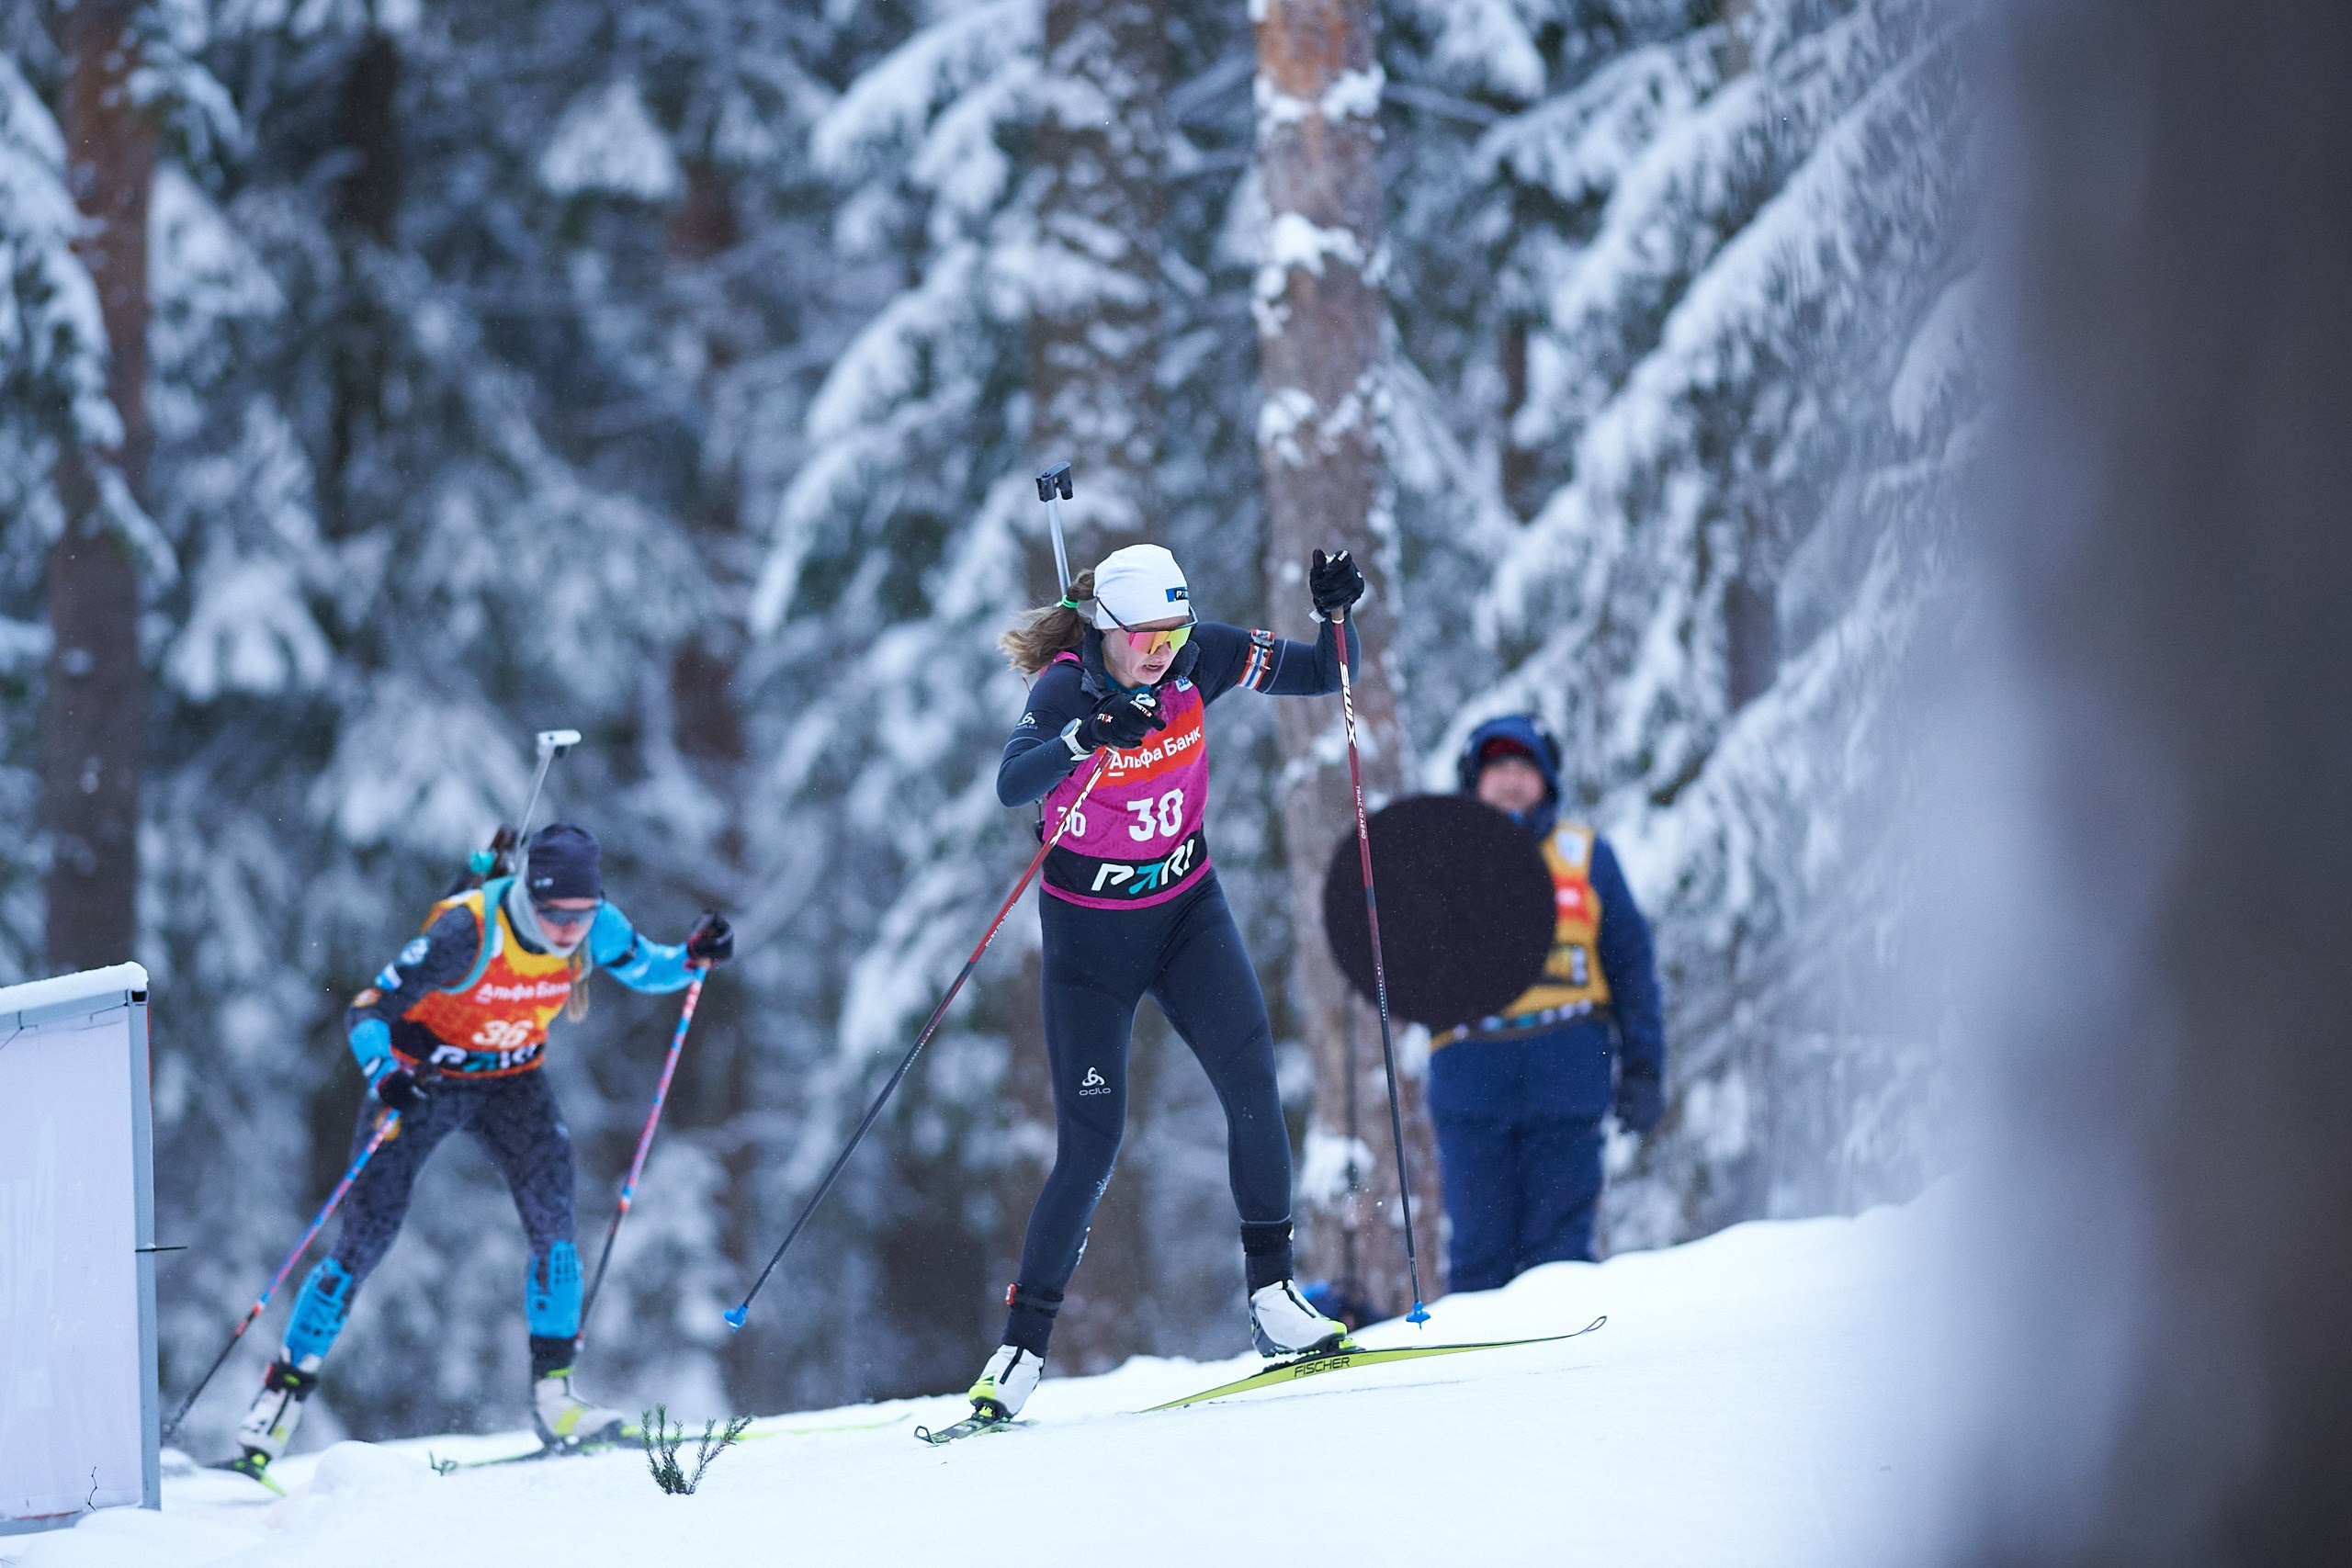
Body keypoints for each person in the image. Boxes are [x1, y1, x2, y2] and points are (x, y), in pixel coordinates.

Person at [962, 542, 1367, 1423]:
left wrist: (1336, 618)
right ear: (1104, 626)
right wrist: (1084, 736)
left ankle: (1272, 1299)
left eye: (1172, 628)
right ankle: (1021, 1351)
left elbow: (1325, 675)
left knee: (1255, 1086)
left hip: (1188, 914)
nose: (1161, 648)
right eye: (1144, 632)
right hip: (1087, 944)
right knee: (1092, 1142)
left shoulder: (1202, 656)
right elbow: (1010, 784)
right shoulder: (1066, 689)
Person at [221, 823, 733, 1482]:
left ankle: (555, 1396)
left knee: (556, 1226)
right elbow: (367, 1009)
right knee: (365, 1240)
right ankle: (280, 1400)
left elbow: (651, 967)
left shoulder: (597, 923)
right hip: (424, 1078)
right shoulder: (467, 930)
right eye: (554, 914)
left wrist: (695, 954)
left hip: (513, 1082)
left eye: (581, 914)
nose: (569, 930)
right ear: (529, 894)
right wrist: (385, 1072)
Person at [1430, 716, 1667, 1292]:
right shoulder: (1435, 857)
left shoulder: (1587, 856)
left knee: (1560, 1255)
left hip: (1568, 1071)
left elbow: (1632, 966)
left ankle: (1563, 1367)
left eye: (1524, 766)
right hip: (1471, 1080)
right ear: (1474, 780)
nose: (1511, 780)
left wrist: (1644, 1068)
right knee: (1478, 1255)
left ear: (1547, 779)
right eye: (1497, 767)